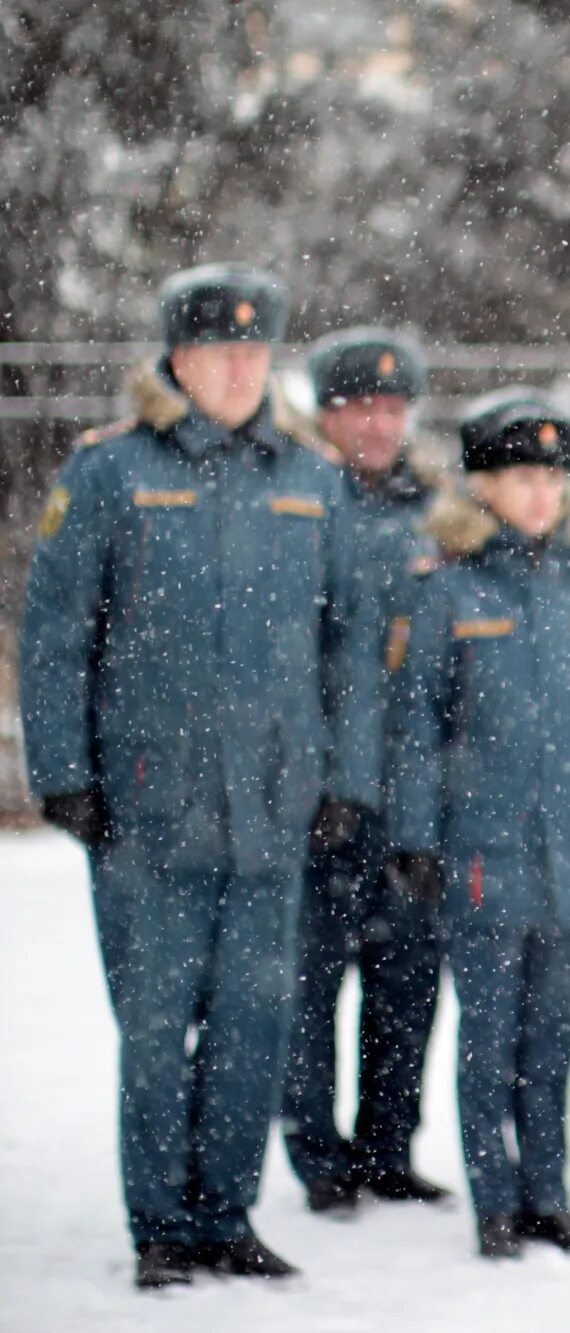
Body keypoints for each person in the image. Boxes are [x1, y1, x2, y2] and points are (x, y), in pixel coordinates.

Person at [20, 263, 380, 1288]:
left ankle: (227, 1211)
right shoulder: (112, 473)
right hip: (146, 801)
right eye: (217, 349)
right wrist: (64, 770)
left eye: (254, 349)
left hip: (274, 805)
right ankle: (164, 1225)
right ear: (175, 360)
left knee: (254, 1022)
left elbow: (351, 647)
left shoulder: (311, 482)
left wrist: (346, 777)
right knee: (155, 1019)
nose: (236, 366)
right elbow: (54, 638)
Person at [386, 389, 570, 1258]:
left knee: (553, 1031)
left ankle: (549, 1193)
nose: (540, 492)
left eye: (550, 476)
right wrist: (416, 834)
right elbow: (416, 723)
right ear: (483, 488)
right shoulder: (449, 584)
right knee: (489, 1030)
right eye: (519, 475)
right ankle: (495, 1202)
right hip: (484, 847)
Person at [282, 328, 453, 1215]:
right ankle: (320, 1159)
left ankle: (390, 1147)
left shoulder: (438, 514)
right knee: (307, 990)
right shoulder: (298, 498)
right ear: (326, 411)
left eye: (393, 407)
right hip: (313, 795)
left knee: (408, 983)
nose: (378, 422)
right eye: (359, 405)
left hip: (411, 795)